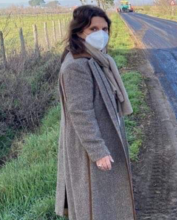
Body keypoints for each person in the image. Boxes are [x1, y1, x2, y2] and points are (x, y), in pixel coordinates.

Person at [54, 5, 136, 220]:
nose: (101, 34)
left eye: (105, 29)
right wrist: (97, 150)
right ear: (79, 31)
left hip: (106, 135)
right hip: (91, 146)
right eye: (93, 29)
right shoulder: (77, 66)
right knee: (93, 204)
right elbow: (80, 112)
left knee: (107, 199)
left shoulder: (97, 59)